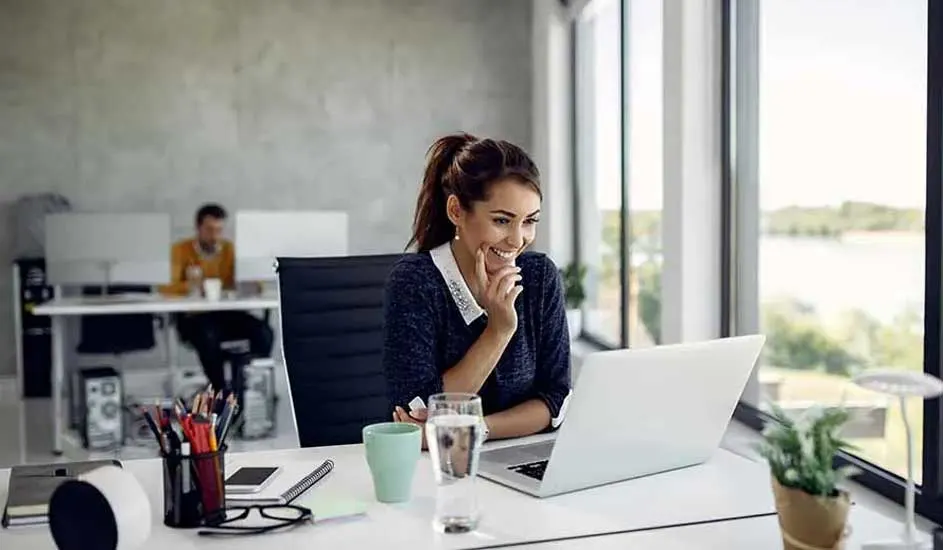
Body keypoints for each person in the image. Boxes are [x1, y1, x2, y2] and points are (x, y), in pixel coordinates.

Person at [383, 132, 572, 446]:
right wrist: (498, 331)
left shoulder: (539, 278)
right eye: (502, 221)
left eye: (529, 221)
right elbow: (418, 411)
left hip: (514, 456)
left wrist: (472, 430)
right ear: (456, 211)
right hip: (434, 469)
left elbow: (555, 400)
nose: (517, 239)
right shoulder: (415, 283)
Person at [161, 203, 274, 391]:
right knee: (208, 335)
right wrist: (194, 287)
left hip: (226, 314)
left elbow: (248, 279)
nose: (215, 236)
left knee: (263, 332)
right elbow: (166, 287)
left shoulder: (229, 249)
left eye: (219, 230)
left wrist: (252, 284)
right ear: (198, 228)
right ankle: (220, 390)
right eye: (209, 230)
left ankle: (247, 384)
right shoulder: (180, 250)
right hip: (194, 316)